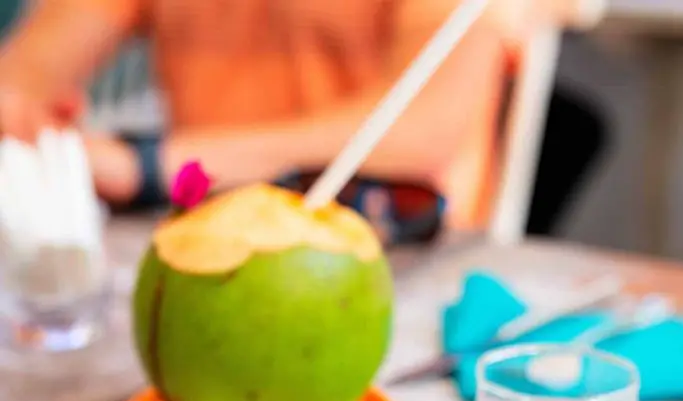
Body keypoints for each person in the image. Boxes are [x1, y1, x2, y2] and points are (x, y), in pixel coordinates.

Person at [0, 0, 598, 229]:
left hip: (393, 262)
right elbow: (20, 81)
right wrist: (29, 120)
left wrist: (149, 164)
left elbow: (422, 129)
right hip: (200, 234)